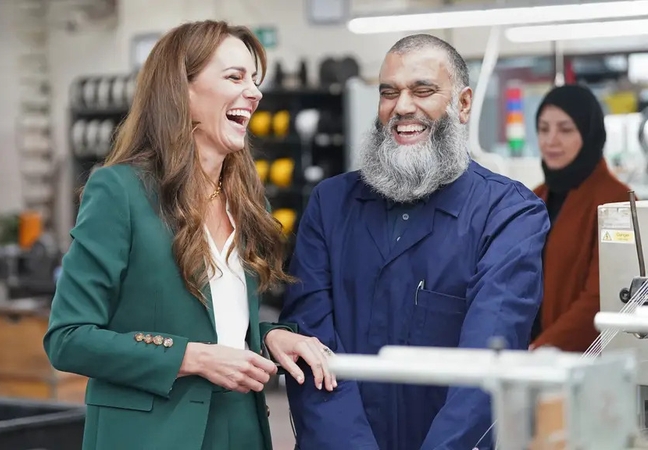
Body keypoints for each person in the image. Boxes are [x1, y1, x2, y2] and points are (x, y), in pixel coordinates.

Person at [43, 20, 331, 450]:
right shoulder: (119, 191)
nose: (254, 92)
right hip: (150, 436)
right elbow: (68, 339)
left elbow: (221, 322)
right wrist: (190, 357)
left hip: (240, 429)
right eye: (234, 77)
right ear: (183, 91)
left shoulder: (249, 202)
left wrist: (268, 336)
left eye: (254, 80)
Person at [264, 34, 551, 450]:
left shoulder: (509, 214)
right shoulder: (331, 204)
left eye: (423, 90)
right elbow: (310, 347)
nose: (402, 107)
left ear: (464, 104)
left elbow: (488, 364)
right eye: (389, 92)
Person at [529, 84, 631, 352]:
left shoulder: (618, 202)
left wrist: (541, 350)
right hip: (526, 355)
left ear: (589, 133)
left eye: (565, 129)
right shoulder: (532, 198)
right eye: (543, 129)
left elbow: (602, 298)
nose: (551, 140)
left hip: (579, 361)